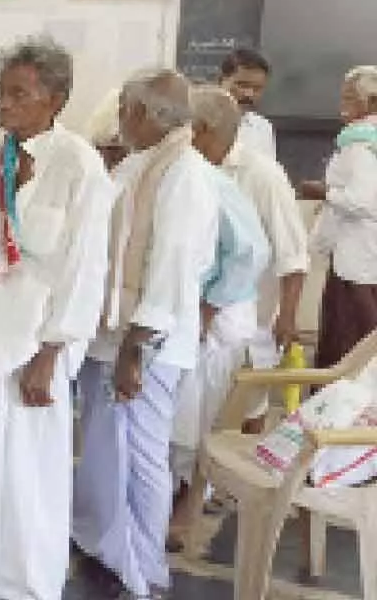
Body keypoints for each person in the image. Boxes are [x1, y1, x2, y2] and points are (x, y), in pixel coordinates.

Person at [0, 36, 114, 600]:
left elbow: (85, 271)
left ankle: (25, 583)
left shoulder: (80, 166)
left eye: (19, 94)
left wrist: (51, 352)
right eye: (2, 93)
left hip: (37, 340)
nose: (6, 104)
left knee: (28, 473)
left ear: (56, 99)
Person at [72, 69, 220, 600]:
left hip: (150, 345)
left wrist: (135, 349)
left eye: (126, 112)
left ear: (150, 115)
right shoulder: (142, 164)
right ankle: (116, 550)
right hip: (121, 338)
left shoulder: (185, 175)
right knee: (113, 451)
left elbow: (171, 270)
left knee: (142, 456)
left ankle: (145, 569)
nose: (120, 123)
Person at [170, 86, 290, 544]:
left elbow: (252, 252)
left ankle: (187, 508)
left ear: (200, 130)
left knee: (200, 421)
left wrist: (206, 308)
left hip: (219, 318)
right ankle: (179, 498)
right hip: (200, 316)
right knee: (184, 418)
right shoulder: (196, 172)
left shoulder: (222, 178)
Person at [308, 65, 377, 368]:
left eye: (351, 99)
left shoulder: (361, 144)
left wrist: (325, 193)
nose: (342, 107)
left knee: (349, 341)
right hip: (361, 256)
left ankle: (340, 411)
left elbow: (363, 201)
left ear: (372, 102)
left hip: (355, 262)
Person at [218, 47, 276, 158]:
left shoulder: (263, 128)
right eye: (242, 85)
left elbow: (267, 173)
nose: (249, 94)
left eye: (257, 88)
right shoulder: (198, 123)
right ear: (222, 80)